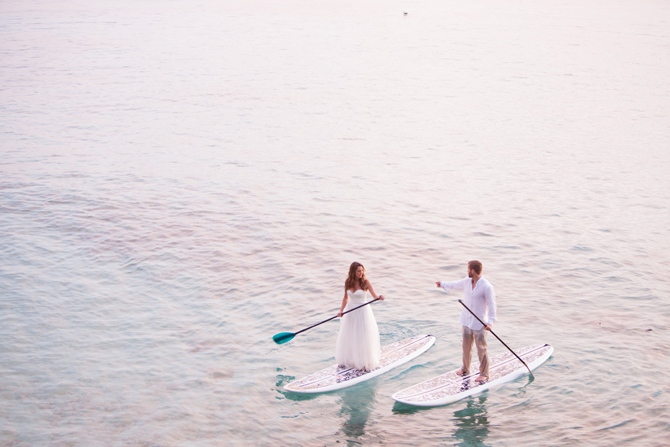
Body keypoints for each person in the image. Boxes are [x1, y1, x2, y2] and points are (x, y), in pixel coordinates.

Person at [436, 260, 497, 382]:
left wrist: (490, 322)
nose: (467, 271)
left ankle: (484, 373)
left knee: (481, 349)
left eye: (468, 269)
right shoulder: (467, 282)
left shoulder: (487, 286)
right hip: (466, 320)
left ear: (473, 271)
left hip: (479, 323)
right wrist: (442, 284)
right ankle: (465, 368)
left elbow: (492, 305)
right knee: (466, 347)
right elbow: (455, 285)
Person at [335, 262, 385, 371]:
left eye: (362, 270)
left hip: (363, 312)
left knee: (362, 336)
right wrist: (341, 310)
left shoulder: (366, 282)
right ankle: (350, 360)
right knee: (351, 335)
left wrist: (380, 297)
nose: (361, 273)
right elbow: (345, 298)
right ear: (353, 272)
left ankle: (363, 362)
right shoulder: (348, 282)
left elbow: (375, 296)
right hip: (350, 311)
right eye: (358, 271)